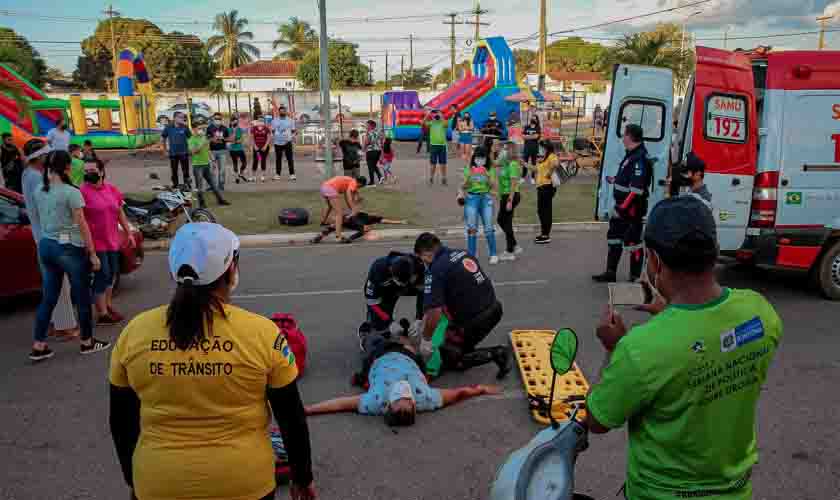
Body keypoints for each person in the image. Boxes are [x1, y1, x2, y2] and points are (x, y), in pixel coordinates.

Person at [587, 195, 782, 500]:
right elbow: (709, 345)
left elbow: (597, 421)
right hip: (736, 491)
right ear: (715, 250)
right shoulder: (761, 313)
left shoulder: (639, 348)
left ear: (654, 260)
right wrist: (671, 315)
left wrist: (613, 347)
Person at [109, 222, 316, 500]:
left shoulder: (135, 332)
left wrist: (133, 478)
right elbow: (291, 417)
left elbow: (122, 422)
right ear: (231, 269)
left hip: (158, 482)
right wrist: (302, 478)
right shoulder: (263, 333)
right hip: (244, 482)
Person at [306, 328, 501, 426]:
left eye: (398, 398)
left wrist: (309, 409)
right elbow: (459, 393)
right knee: (407, 342)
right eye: (407, 399)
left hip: (379, 356)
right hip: (408, 357)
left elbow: (340, 404)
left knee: (371, 339)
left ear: (387, 406)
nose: (403, 392)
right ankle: (400, 334)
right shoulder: (426, 399)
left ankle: (370, 333)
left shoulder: (375, 402)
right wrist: (482, 389)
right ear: (415, 406)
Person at [29, 150, 111, 361]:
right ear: (67, 167)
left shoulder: (39, 189)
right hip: (69, 248)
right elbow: (82, 225)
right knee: (82, 296)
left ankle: (39, 345)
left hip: (46, 246)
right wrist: (92, 253)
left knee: (48, 298)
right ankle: (87, 342)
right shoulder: (71, 192)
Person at [414, 232, 510, 378]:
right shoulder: (463, 253)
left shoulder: (435, 271)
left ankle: (497, 353)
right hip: (494, 308)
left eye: (422, 260)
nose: (424, 264)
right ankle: (465, 345)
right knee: (455, 338)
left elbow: (435, 313)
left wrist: (426, 341)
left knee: (449, 356)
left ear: (426, 254)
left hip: (476, 321)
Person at [592, 124, 652, 283]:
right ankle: (610, 273)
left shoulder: (639, 158)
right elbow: (628, 180)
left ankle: (636, 277)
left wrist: (621, 208)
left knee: (634, 243)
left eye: (624, 134)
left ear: (630, 137)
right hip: (622, 209)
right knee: (614, 238)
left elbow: (636, 190)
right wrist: (614, 180)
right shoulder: (631, 155)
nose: (622, 138)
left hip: (631, 210)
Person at [80, 161, 133, 325]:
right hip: (96, 242)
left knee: (111, 275)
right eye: (86, 170)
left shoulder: (112, 190)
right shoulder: (82, 192)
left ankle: (108, 305)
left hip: (112, 240)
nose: (89, 173)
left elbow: (120, 213)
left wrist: (128, 232)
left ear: (101, 172)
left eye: (92, 170)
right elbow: (79, 219)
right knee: (102, 276)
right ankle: (102, 313)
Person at [360, 252, 425, 342]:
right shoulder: (378, 269)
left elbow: (424, 294)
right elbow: (372, 302)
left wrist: (419, 319)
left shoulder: (420, 268)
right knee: (379, 322)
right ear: (391, 270)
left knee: (430, 294)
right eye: (400, 281)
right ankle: (370, 327)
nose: (402, 284)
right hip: (385, 289)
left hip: (407, 288)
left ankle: (397, 326)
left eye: (407, 281)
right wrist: (389, 322)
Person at [459, 146, 498, 263]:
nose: (480, 160)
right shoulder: (468, 169)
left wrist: (486, 174)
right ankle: (472, 254)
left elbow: (493, 186)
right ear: (474, 158)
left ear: (486, 159)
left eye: (482, 158)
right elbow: (463, 186)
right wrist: (470, 175)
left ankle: (493, 254)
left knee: (489, 227)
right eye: (478, 158)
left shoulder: (490, 169)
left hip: (485, 198)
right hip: (471, 198)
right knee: (471, 228)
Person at [525, 140, 560, 245]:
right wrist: (524, 164)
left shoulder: (551, 156)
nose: (540, 149)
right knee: (542, 210)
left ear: (546, 148)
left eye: (541, 147)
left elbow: (556, 163)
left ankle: (545, 235)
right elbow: (536, 169)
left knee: (545, 211)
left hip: (547, 187)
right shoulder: (544, 158)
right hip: (541, 187)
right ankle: (544, 233)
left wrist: (549, 173)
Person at [189, 124, 230, 208]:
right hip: (197, 166)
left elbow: (207, 150)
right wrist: (202, 144)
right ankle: (201, 203)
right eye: (199, 128)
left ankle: (220, 200)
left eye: (202, 129)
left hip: (206, 164)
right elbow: (193, 152)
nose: (201, 130)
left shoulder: (203, 138)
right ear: (193, 130)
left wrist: (213, 160)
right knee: (199, 186)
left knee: (213, 184)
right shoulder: (191, 139)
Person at [495, 141, 522, 261]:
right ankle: (514, 245)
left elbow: (513, 184)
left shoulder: (513, 165)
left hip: (510, 195)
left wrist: (510, 200)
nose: (503, 151)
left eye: (505, 149)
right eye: (503, 149)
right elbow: (493, 164)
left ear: (511, 151)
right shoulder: (505, 163)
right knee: (502, 220)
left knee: (505, 221)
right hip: (505, 195)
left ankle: (510, 251)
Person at [319, 175, 364, 243]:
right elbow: (349, 195)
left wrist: (352, 208)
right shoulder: (353, 182)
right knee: (339, 213)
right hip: (331, 188)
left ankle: (323, 221)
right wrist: (354, 209)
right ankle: (338, 236)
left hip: (324, 187)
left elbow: (347, 198)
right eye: (360, 187)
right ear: (360, 183)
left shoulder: (349, 182)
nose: (358, 188)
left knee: (330, 206)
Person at [160, 113, 192, 188]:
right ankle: (175, 185)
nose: (182, 119)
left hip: (184, 153)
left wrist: (191, 149)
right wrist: (164, 150)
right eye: (180, 117)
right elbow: (162, 139)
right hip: (173, 153)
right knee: (174, 171)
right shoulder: (168, 127)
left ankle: (187, 186)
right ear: (174, 118)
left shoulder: (185, 127)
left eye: (183, 117)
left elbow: (191, 139)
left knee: (186, 171)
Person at [205, 113, 230, 191]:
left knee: (222, 170)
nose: (217, 120)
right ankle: (211, 186)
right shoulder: (209, 128)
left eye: (219, 119)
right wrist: (212, 139)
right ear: (213, 119)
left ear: (221, 119)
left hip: (222, 151)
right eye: (216, 119)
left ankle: (221, 185)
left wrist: (223, 139)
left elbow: (228, 139)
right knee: (211, 170)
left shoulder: (225, 128)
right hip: (212, 151)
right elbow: (206, 139)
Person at [271, 105, 297, 181]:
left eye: (283, 111)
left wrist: (291, 137)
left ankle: (292, 174)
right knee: (278, 159)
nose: (282, 112)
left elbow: (293, 131)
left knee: (290, 159)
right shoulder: (274, 121)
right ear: (278, 112)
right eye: (281, 111)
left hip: (287, 142)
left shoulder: (290, 120)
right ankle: (277, 174)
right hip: (277, 143)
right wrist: (275, 136)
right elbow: (272, 131)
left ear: (286, 112)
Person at [428, 109, 448, 185]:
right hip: (433, 145)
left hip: (442, 146)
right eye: (435, 114)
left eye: (437, 115)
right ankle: (431, 177)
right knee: (433, 163)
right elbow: (422, 123)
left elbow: (446, 124)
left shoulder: (443, 123)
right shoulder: (431, 123)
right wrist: (429, 114)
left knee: (443, 163)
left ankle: (444, 177)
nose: (436, 116)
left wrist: (441, 115)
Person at [250, 117, 272, 182]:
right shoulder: (254, 128)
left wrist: (265, 146)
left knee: (263, 160)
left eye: (262, 121)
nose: (260, 122)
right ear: (257, 121)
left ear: (264, 122)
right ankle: (253, 176)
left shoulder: (266, 128)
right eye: (259, 121)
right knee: (255, 160)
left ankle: (263, 176)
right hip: (256, 147)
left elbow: (268, 138)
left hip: (264, 147)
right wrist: (255, 146)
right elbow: (252, 138)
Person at [227, 117, 249, 184]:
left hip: (240, 149)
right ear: (231, 122)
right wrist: (234, 132)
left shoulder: (240, 129)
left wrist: (236, 141)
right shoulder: (229, 130)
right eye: (234, 121)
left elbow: (242, 139)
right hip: (233, 149)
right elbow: (231, 139)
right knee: (235, 163)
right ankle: (237, 177)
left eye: (236, 122)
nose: (235, 123)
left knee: (244, 163)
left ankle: (241, 174)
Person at [521, 116, 542, 184]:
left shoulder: (538, 127)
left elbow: (536, 136)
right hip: (526, 148)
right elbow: (523, 136)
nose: (533, 119)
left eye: (534, 118)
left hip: (534, 148)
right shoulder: (527, 127)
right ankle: (523, 177)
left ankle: (532, 178)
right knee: (525, 162)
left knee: (533, 163)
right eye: (532, 118)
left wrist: (528, 137)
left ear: (536, 120)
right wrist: (532, 137)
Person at [364, 120, 383, 185]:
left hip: (371, 151)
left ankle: (372, 181)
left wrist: (364, 149)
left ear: (371, 126)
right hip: (378, 151)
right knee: (374, 165)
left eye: (367, 125)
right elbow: (381, 142)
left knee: (370, 166)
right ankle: (380, 176)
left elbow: (367, 142)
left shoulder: (369, 133)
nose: (366, 126)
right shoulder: (379, 132)